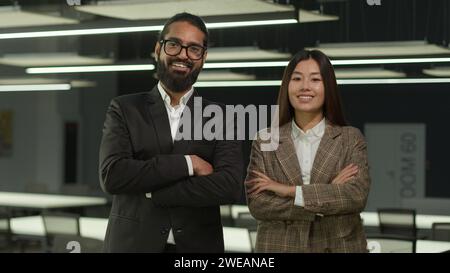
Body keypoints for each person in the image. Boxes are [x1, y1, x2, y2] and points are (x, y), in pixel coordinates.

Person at [99, 12, 243, 253]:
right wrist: (189, 164)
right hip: (133, 246)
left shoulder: (222, 117)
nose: (183, 55)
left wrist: (151, 191)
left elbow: (229, 186)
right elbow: (113, 175)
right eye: (174, 44)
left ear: (203, 57)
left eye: (194, 49)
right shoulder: (124, 109)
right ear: (159, 48)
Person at [245, 49, 370, 253]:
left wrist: (289, 191)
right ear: (287, 86)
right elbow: (258, 204)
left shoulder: (350, 138)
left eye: (315, 79)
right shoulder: (265, 140)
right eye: (297, 79)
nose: (305, 87)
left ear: (327, 86)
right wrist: (326, 194)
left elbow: (355, 196)